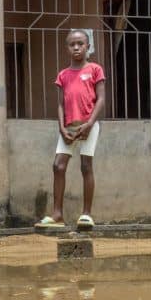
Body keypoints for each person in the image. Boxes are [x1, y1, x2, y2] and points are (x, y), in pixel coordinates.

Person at [34, 29, 106, 231]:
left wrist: (90, 123)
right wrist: (61, 128)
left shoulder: (94, 69)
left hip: (89, 125)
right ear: (67, 48)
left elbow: (100, 99)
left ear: (87, 46)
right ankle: (57, 214)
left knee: (86, 166)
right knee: (58, 166)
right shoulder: (63, 75)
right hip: (68, 127)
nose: (76, 47)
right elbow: (60, 104)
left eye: (80, 44)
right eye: (72, 44)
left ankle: (86, 214)